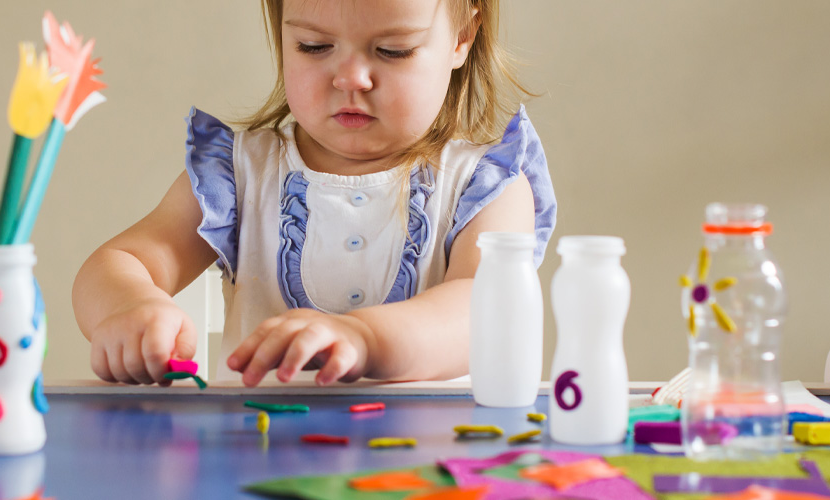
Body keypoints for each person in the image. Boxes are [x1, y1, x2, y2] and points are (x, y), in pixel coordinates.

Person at [72, 0, 557, 387]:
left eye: (392, 50)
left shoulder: (488, 185)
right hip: (252, 462)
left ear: (462, 38)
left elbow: (488, 310)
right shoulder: (239, 174)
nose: (349, 78)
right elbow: (119, 262)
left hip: (432, 470)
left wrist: (364, 337)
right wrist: (127, 307)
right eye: (313, 45)